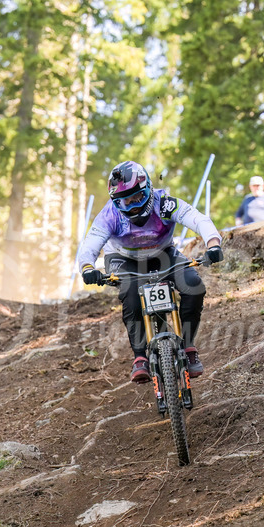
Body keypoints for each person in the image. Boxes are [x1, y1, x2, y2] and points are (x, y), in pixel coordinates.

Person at [77, 161, 224, 383]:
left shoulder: (164, 203)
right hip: (123, 259)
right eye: (126, 200)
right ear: (116, 201)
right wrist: (88, 267)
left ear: (148, 190)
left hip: (163, 254)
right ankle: (139, 358)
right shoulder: (110, 214)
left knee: (194, 286)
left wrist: (213, 243)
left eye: (137, 197)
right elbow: (90, 244)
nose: (133, 205)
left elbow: (196, 218)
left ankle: (188, 346)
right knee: (131, 296)